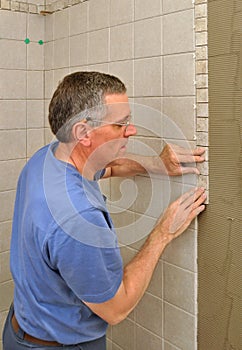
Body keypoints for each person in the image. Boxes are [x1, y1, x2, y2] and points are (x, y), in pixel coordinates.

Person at [2, 71, 206, 350]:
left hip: (21, 327)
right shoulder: (78, 217)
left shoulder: (48, 158)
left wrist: (158, 165)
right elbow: (116, 308)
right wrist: (163, 233)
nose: (131, 131)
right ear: (83, 132)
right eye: (121, 124)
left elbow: (107, 167)